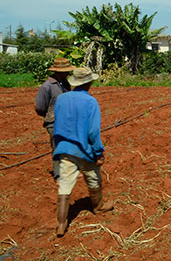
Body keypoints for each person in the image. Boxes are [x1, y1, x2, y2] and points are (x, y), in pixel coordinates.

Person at [53, 67, 113, 237]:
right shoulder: (91, 102)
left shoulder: (61, 99)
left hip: (64, 148)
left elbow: (58, 124)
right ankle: (99, 206)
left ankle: (61, 223)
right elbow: (93, 132)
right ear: (89, 82)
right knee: (94, 178)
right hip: (84, 150)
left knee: (65, 184)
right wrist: (98, 152)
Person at [35, 57, 75, 182]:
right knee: (58, 148)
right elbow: (40, 107)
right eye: (66, 71)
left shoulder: (65, 83)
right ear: (58, 71)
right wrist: (50, 115)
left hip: (67, 121)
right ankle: (59, 175)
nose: (68, 73)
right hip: (54, 122)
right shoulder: (47, 86)